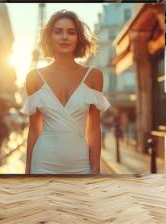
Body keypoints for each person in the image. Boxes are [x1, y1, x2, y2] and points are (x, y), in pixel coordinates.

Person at [20, 10, 111, 175]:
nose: (64, 37)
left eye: (71, 32)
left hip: (80, 165)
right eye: (58, 32)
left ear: (78, 38)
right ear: (50, 37)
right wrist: (27, 170)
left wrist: (95, 168)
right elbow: (34, 129)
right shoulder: (33, 77)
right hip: (42, 164)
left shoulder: (94, 76)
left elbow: (93, 128)